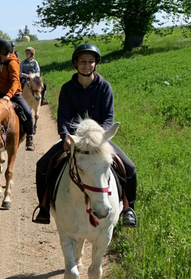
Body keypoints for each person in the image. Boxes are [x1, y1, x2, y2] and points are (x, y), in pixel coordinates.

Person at [32, 43, 138, 228]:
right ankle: (44, 207)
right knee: (42, 165)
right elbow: (63, 117)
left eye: (90, 61)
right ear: (75, 63)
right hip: (75, 140)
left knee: (129, 168)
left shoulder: (105, 87)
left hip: (99, 141)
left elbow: (108, 117)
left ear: (96, 64)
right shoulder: (67, 89)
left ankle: (128, 209)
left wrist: (99, 137)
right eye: (82, 61)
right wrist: (65, 136)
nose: (86, 65)